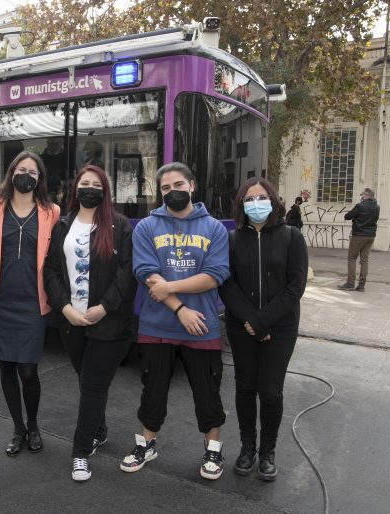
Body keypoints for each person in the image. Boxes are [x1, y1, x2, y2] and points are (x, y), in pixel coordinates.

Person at [122, 162, 229, 481]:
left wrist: (170, 287)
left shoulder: (214, 229)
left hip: (203, 327)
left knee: (207, 392)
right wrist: (180, 308)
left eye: (178, 185)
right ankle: (146, 445)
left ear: (192, 186)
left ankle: (213, 450)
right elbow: (145, 273)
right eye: (166, 188)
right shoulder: (146, 228)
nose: (173, 192)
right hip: (157, 327)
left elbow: (215, 276)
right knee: (152, 392)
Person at [43, 164, 136, 481]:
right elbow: (51, 271)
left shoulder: (120, 226)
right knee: (88, 382)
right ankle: (100, 430)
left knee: (94, 385)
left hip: (108, 325)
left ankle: (80, 451)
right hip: (72, 322)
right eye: (84, 182)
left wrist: (104, 308)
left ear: (105, 190)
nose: (90, 188)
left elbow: (127, 273)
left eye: (96, 183)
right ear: (75, 188)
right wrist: (64, 307)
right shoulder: (63, 224)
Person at [219, 177, 308, 482]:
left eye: (261, 197)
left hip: (279, 327)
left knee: (270, 391)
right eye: (249, 199)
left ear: (273, 200)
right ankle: (248, 447)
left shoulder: (292, 237)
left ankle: (268, 451)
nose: (256, 204)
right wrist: (251, 321)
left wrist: (262, 322)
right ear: (241, 204)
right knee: (245, 387)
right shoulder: (231, 239)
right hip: (240, 324)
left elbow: (296, 286)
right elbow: (225, 284)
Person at [0, 151, 60, 457]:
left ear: (40, 179)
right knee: (7, 369)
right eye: (21, 169)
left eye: (34, 171)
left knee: (28, 370)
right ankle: (18, 428)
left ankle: (34, 425)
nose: (27, 175)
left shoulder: (51, 211)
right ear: (11, 172)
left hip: (33, 303)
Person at [338, 188, 379, 291]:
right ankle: (361, 285)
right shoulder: (377, 207)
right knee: (364, 259)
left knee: (352, 258)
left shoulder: (360, 206)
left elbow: (347, 216)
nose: (361, 196)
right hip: (371, 236)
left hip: (359, 235)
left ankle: (350, 283)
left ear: (365, 195)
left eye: (361, 194)